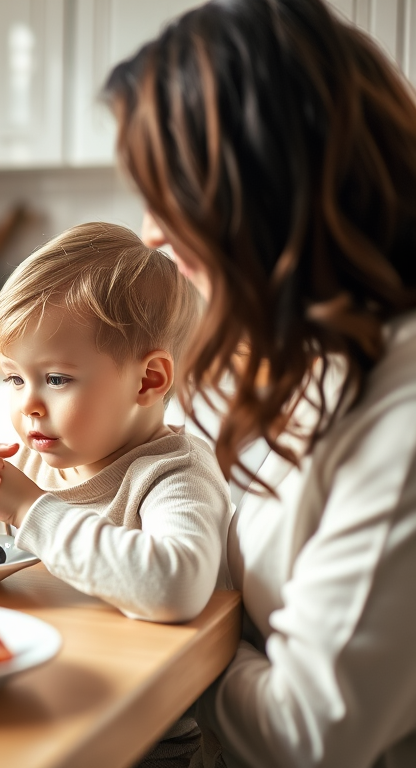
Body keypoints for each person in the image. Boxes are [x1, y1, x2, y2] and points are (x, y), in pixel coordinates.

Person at [104, 0, 416, 766]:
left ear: (263, 195)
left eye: (167, 192)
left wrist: (181, 644)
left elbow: (310, 735)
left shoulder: (400, 420)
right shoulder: (281, 359)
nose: (148, 231)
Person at [0, 221, 232, 626]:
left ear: (148, 380)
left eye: (56, 379)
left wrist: (30, 508)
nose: (28, 403)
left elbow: (175, 589)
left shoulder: (175, 474)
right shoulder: (34, 464)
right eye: (14, 378)